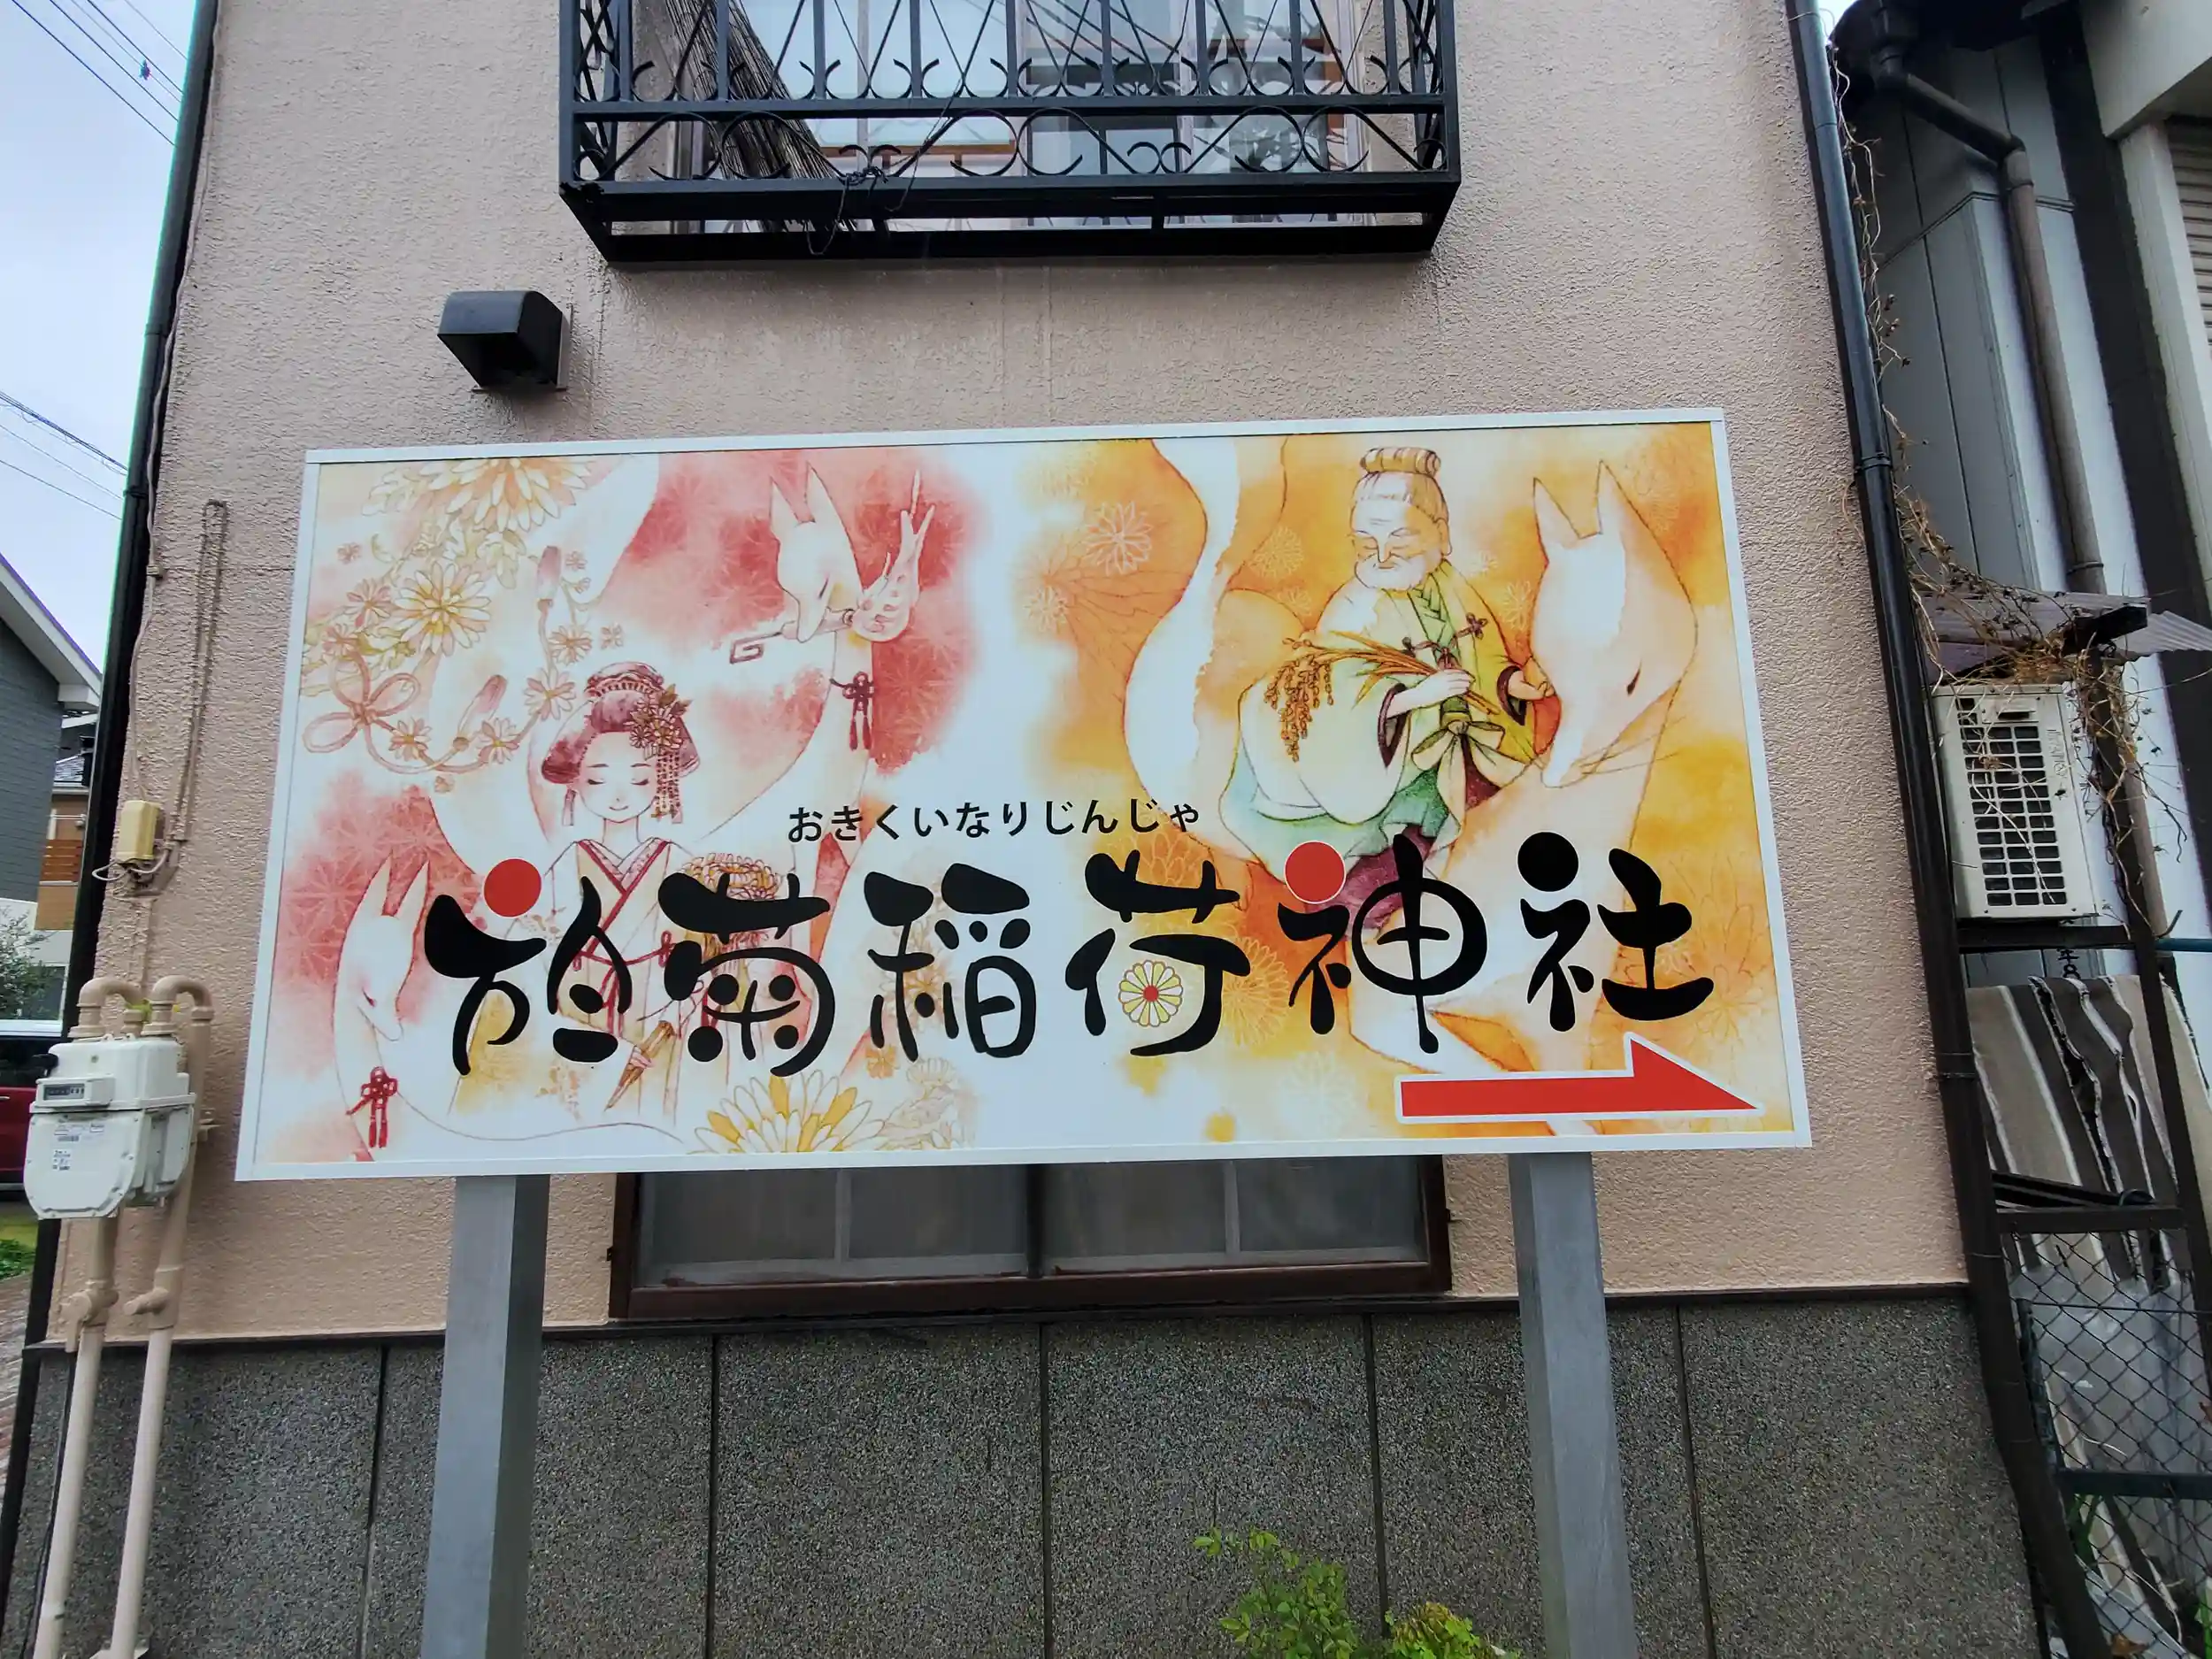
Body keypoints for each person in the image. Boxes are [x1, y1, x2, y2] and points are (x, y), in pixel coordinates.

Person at [1223, 447, 1552, 897]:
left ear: (1440, 534)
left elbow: (1483, 658)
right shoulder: (1353, 609)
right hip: (1396, 767)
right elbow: (1337, 702)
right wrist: (1416, 698)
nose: (1380, 557)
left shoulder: (1449, 586)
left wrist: (1516, 684)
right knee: (1395, 871)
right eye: (1366, 545)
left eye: (1399, 544)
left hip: (1464, 748)